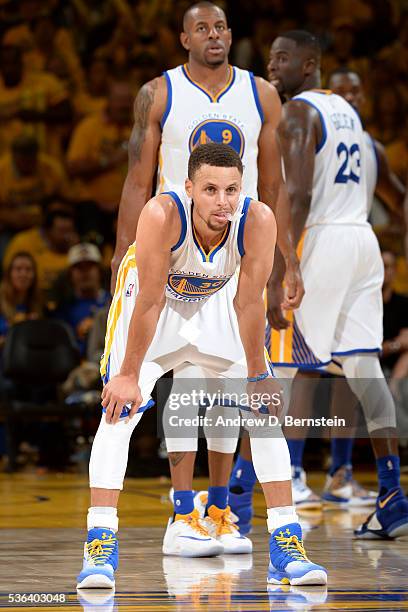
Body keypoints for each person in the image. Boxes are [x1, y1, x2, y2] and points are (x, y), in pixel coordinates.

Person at [76, 143, 327, 590]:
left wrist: (257, 374)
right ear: (189, 188)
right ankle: (100, 546)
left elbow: (249, 301)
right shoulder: (161, 215)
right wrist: (130, 375)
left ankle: (286, 546)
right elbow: (151, 301)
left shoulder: (257, 221)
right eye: (210, 190)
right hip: (152, 307)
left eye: (231, 189)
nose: (222, 201)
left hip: (216, 304)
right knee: (118, 412)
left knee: (264, 411)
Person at [109, 0, 303, 534]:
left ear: (230, 34)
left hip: (240, 248)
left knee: (228, 385)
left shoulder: (261, 94)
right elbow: (136, 178)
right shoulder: (160, 93)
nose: (213, 36)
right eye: (202, 28)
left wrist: (287, 261)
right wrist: (123, 252)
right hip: (173, 247)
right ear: (184, 39)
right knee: (178, 379)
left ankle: (217, 508)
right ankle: (181, 509)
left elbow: (277, 183)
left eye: (220, 27)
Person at [263, 29, 408, 539]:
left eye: (282, 58)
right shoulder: (353, 119)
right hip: (363, 242)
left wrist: (285, 266)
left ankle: (258, 489)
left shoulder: (300, 112)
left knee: (286, 367)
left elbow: (299, 194)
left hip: (322, 241)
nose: (272, 65)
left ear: (309, 65)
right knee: (364, 366)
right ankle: (392, 491)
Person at [67, 81, 133, 229]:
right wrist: (109, 161)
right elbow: (73, 168)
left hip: (130, 206)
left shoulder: (140, 128)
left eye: (128, 100)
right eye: (120, 100)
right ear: (108, 101)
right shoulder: (88, 127)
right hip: (92, 205)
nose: (125, 106)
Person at [3, 205, 78, 295]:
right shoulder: (26, 244)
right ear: (47, 231)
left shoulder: (76, 250)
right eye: (62, 231)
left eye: (70, 231)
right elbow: (10, 274)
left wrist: (75, 251)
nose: (67, 236)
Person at [54, 244, 110, 357]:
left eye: (89, 266)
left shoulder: (114, 302)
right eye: (79, 268)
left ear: (100, 271)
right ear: (70, 275)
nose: (85, 272)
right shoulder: (63, 311)